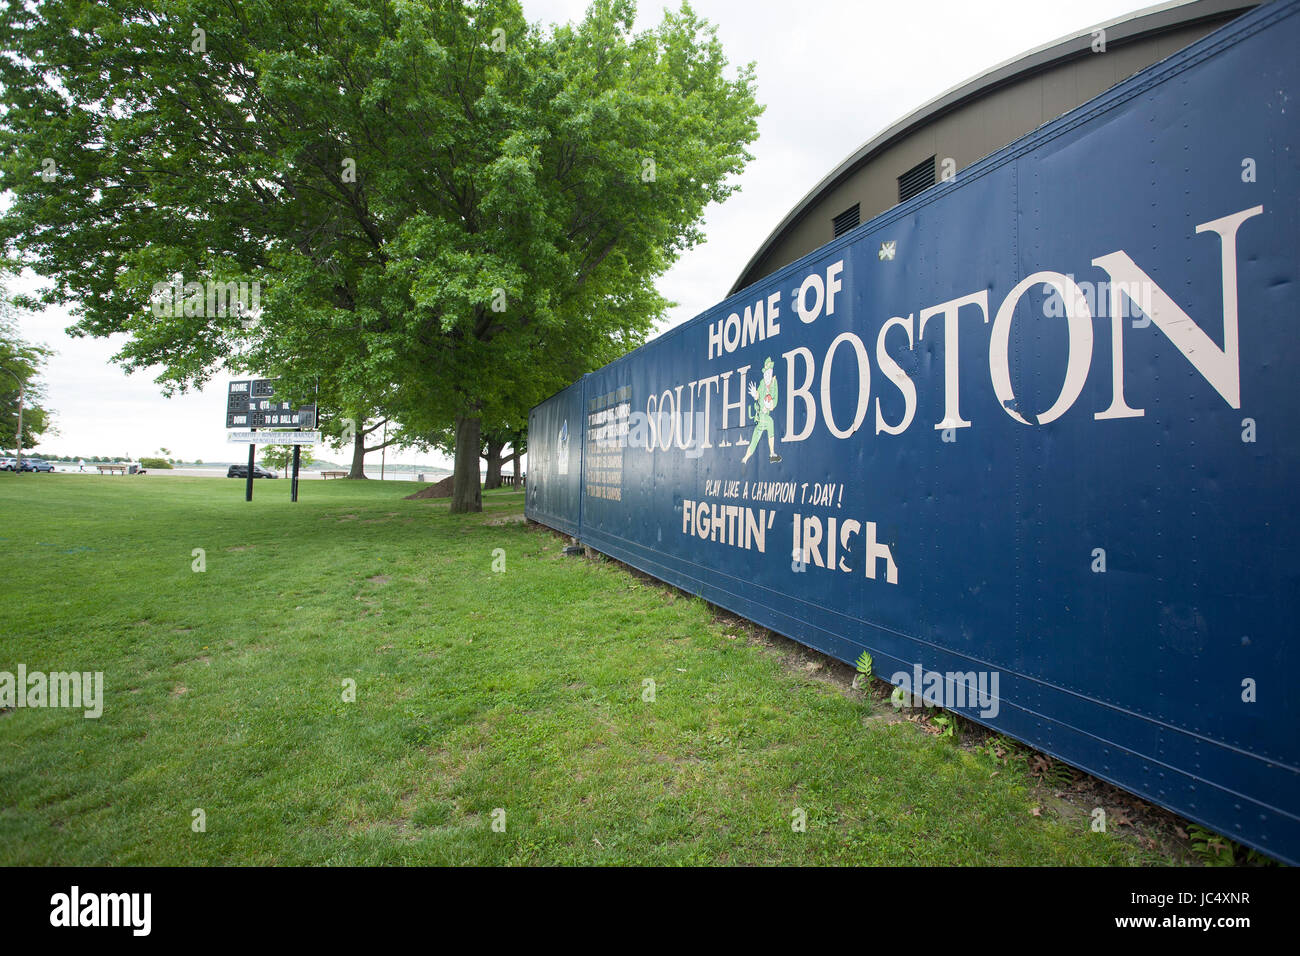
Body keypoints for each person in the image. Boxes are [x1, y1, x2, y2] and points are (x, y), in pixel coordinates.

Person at [742, 356, 782, 464]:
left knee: (756, 437)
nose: (767, 376)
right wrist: (755, 394)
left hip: (763, 416)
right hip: (760, 416)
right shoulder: (762, 383)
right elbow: (758, 396)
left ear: (771, 373)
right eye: (765, 374)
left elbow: (775, 400)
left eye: (769, 373)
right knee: (769, 423)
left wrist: (769, 404)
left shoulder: (774, 383)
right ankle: (747, 458)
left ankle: (746, 459)